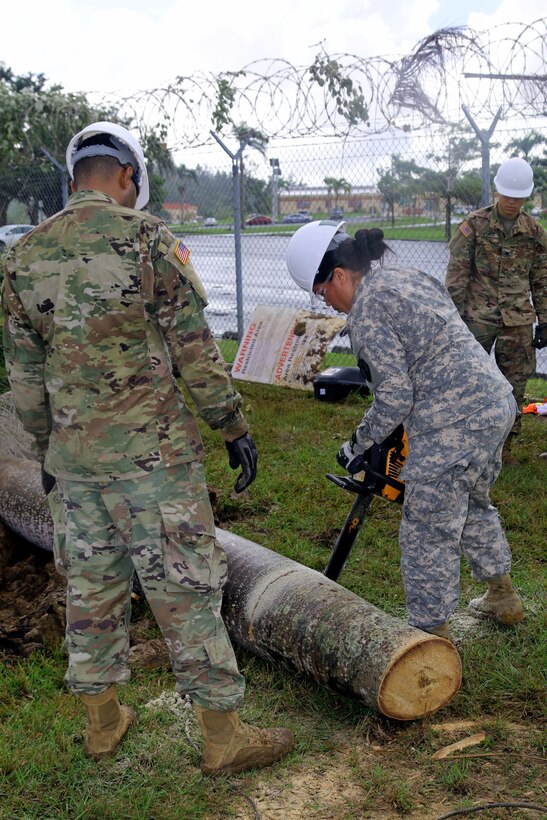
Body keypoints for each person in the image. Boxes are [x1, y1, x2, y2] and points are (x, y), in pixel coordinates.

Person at [2, 121, 293, 773]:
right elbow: (195, 350)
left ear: (74, 177)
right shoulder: (149, 240)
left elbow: (24, 379)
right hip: (153, 463)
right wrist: (232, 426)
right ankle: (223, 739)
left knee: (92, 591)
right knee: (185, 588)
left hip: (75, 465)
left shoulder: (23, 257)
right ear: (127, 176)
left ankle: (102, 728)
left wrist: (49, 451)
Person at [286, 220, 525, 639]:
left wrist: (359, 443)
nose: (327, 303)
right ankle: (502, 596)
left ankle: (432, 638)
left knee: (427, 529)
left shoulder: (367, 310)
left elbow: (395, 396)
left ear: (339, 276)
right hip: (494, 402)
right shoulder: (405, 277)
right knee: (472, 501)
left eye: (323, 293)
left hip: (454, 421)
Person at [445, 157, 547, 465]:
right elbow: (457, 276)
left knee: (514, 383)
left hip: (517, 321)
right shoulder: (473, 226)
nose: (514, 202)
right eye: (508, 195)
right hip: (477, 319)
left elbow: (542, 279)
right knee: (468, 381)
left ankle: (504, 448)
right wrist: (454, 320)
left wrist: (545, 321)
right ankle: (462, 443)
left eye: (520, 197)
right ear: (497, 191)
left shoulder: (534, 231)